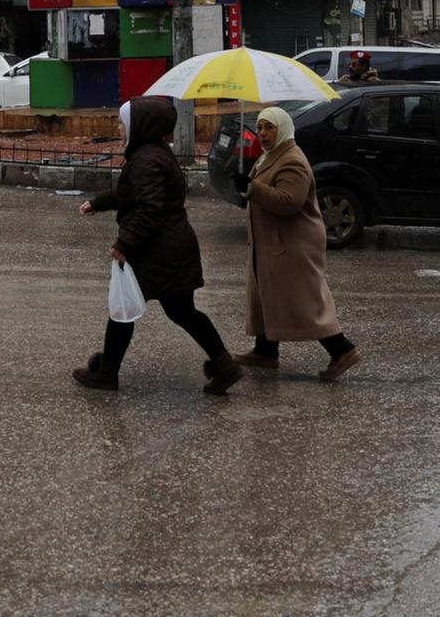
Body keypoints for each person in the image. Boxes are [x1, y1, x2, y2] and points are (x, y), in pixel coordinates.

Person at [74, 96, 242, 395]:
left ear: (141, 125)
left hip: (157, 250)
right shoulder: (153, 154)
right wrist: (98, 203)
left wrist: (124, 244)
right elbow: (131, 193)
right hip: (171, 247)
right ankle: (224, 365)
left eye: (123, 123)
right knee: (181, 311)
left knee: (124, 308)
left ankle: (107, 372)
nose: (119, 128)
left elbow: (149, 207)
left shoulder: (146, 160)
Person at [232, 107, 363, 382]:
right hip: (273, 242)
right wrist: (246, 185)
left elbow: (289, 201)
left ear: (282, 128)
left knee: (304, 301)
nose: (263, 133)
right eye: (260, 127)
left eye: (270, 127)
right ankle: (265, 350)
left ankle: (342, 350)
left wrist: (253, 188)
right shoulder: (270, 156)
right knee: (267, 294)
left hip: (293, 245)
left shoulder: (292, 160)